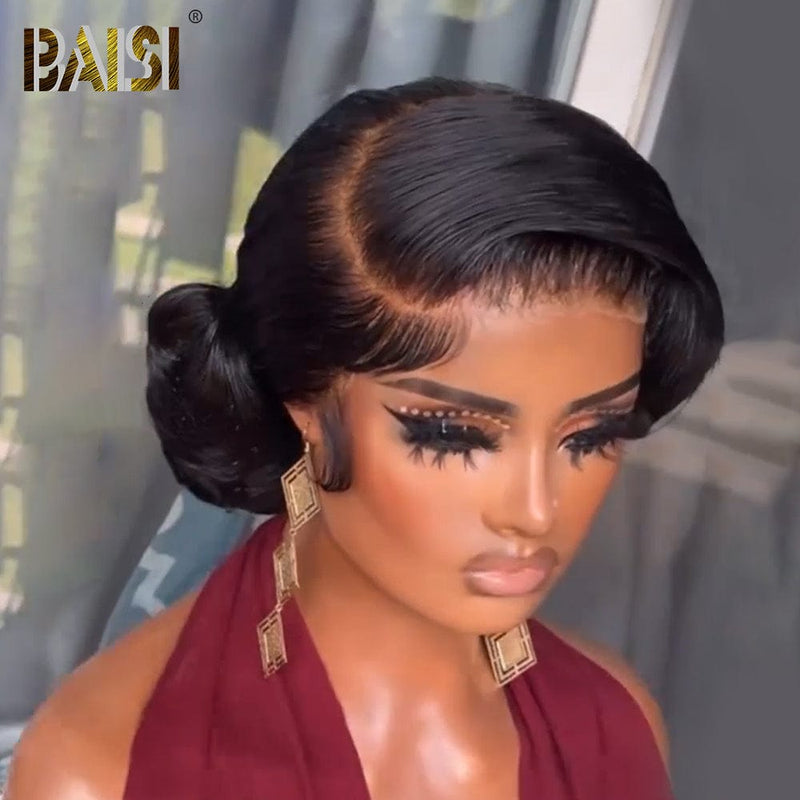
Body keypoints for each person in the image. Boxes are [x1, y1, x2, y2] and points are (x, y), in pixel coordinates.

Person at [4, 77, 723, 799]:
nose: (535, 512)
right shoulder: (101, 771)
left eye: (591, 435)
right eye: (452, 436)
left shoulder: (613, 724)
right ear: (305, 404)